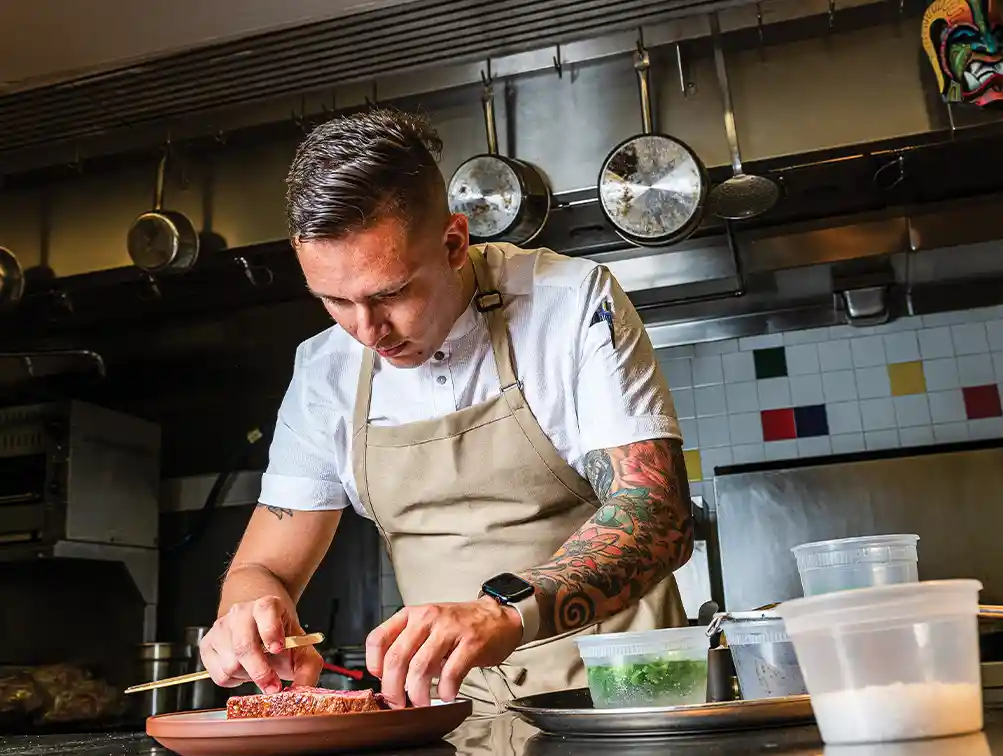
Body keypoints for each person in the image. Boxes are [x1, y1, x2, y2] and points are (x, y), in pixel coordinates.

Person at [198, 108, 694, 714]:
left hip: (627, 699)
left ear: (454, 243)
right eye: (334, 301)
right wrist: (248, 615)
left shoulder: (570, 304)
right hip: (451, 721)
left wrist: (502, 611)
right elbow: (262, 568)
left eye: (391, 294)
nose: (368, 330)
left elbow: (657, 517)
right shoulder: (324, 370)